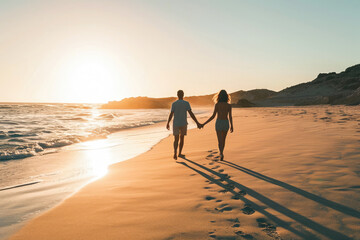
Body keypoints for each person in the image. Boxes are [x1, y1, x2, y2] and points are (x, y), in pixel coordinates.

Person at [166, 90, 202, 160]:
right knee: (182, 138)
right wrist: (197, 122)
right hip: (183, 123)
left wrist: (168, 123)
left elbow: (171, 114)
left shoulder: (174, 104)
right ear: (183, 95)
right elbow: (191, 114)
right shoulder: (186, 103)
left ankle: (175, 152)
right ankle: (179, 153)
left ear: (177, 95)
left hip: (176, 123)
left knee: (176, 139)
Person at [201, 90, 233, 160]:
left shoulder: (217, 105)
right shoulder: (229, 105)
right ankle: (221, 153)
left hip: (219, 122)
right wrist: (232, 126)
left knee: (219, 140)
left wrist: (204, 123)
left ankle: (221, 153)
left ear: (219, 96)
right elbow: (230, 116)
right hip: (225, 122)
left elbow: (213, 116)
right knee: (223, 140)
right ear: (226, 96)